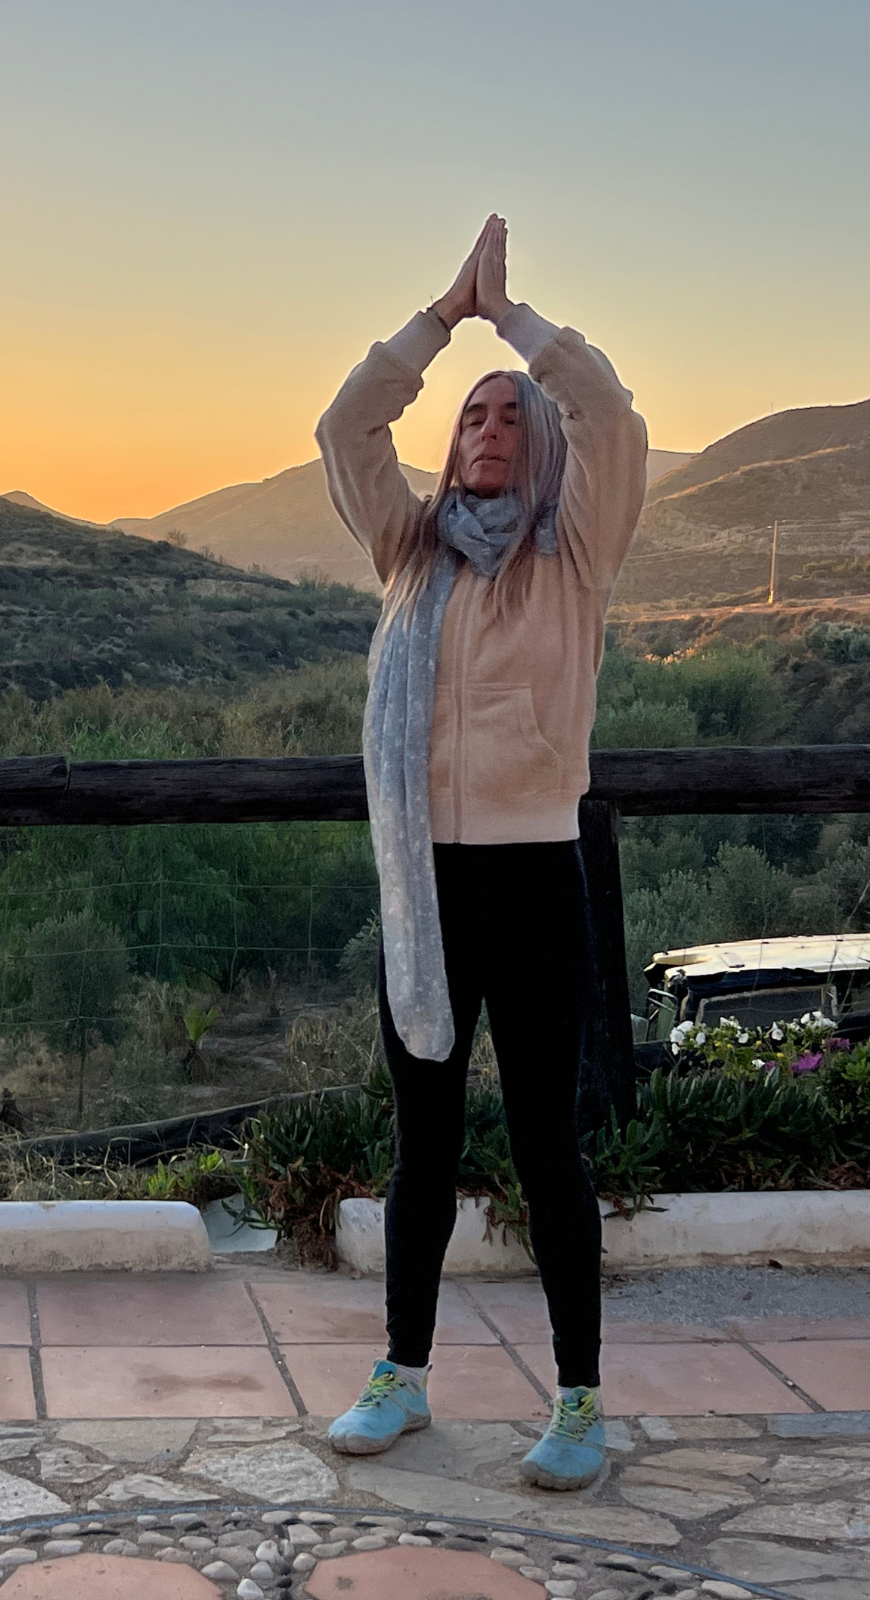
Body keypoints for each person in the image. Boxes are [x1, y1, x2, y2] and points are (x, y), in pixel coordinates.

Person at [313, 215, 648, 1490]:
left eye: (511, 415)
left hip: (534, 880)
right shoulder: (410, 555)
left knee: (547, 1148)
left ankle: (578, 1399)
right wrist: (438, 322)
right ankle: (401, 1374)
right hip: (426, 891)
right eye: (472, 416)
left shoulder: (574, 556)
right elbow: (345, 427)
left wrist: (512, 323)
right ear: (449, 446)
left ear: (538, 443)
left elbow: (609, 414)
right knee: (424, 1144)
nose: (490, 427)